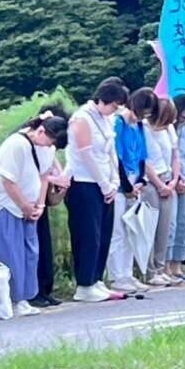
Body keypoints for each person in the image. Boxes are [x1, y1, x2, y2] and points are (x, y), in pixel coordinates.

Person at [0, 116, 67, 317]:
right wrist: (25, 206)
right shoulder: (16, 144)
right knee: (9, 253)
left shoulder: (47, 148)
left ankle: (25, 298)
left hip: (28, 205)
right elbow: (7, 181)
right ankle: (9, 300)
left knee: (29, 253)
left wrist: (40, 204)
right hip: (4, 205)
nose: (50, 146)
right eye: (50, 141)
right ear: (41, 131)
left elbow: (43, 176)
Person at [67, 78, 127, 302]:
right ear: (102, 99)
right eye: (114, 105)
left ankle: (96, 279)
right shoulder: (82, 118)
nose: (115, 110)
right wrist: (103, 183)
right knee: (88, 234)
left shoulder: (107, 119)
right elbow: (86, 154)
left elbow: (111, 152)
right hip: (84, 182)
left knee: (103, 233)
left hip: (106, 184)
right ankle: (84, 283)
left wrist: (114, 181)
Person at [109, 87, 158, 293]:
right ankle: (116, 276)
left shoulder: (139, 126)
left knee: (132, 229)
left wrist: (140, 181)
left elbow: (142, 156)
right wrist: (126, 186)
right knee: (117, 231)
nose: (143, 117)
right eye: (142, 112)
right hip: (119, 182)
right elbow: (117, 156)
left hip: (134, 180)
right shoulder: (118, 123)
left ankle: (127, 273)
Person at [31, 100, 71, 309]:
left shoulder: (49, 145)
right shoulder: (32, 142)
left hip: (41, 199)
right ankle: (34, 291)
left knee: (44, 245)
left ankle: (45, 290)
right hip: (31, 200)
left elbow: (52, 164)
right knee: (34, 247)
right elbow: (37, 172)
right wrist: (56, 179)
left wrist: (61, 177)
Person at [143, 97, 182, 287]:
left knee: (165, 228)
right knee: (151, 227)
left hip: (168, 179)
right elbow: (145, 161)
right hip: (151, 181)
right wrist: (159, 184)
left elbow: (175, 156)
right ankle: (150, 271)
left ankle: (160, 267)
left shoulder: (169, 129)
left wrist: (174, 179)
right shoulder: (144, 128)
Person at [165, 94, 185, 283]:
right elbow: (172, 156)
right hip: (171, 180)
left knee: (183, 222)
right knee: (170, 223)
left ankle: (177, 265)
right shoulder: (167, 127)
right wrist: (176, 179)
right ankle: (166, 266)